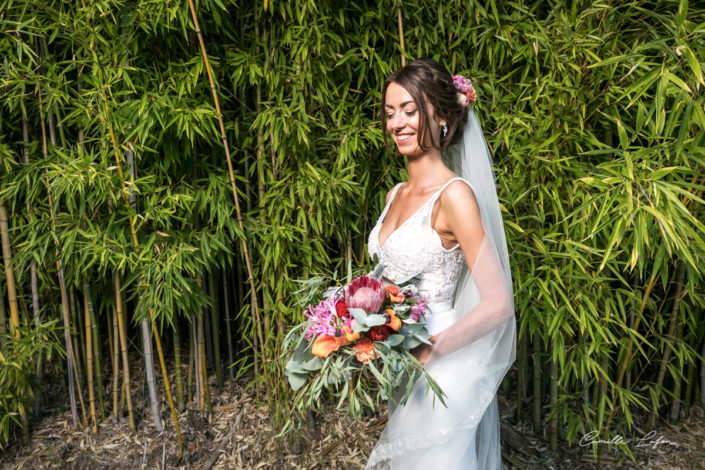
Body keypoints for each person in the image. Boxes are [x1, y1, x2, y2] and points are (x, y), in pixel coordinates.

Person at [365, 59, 517, 469]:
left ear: (441, 116)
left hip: (443, 368)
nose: (397, 122)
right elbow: (387, 283)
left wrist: (430, 350)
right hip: (402, 367)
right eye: (390, 112)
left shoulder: (455, 196)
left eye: (410, 111)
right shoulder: (395, 194)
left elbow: (499, 303)